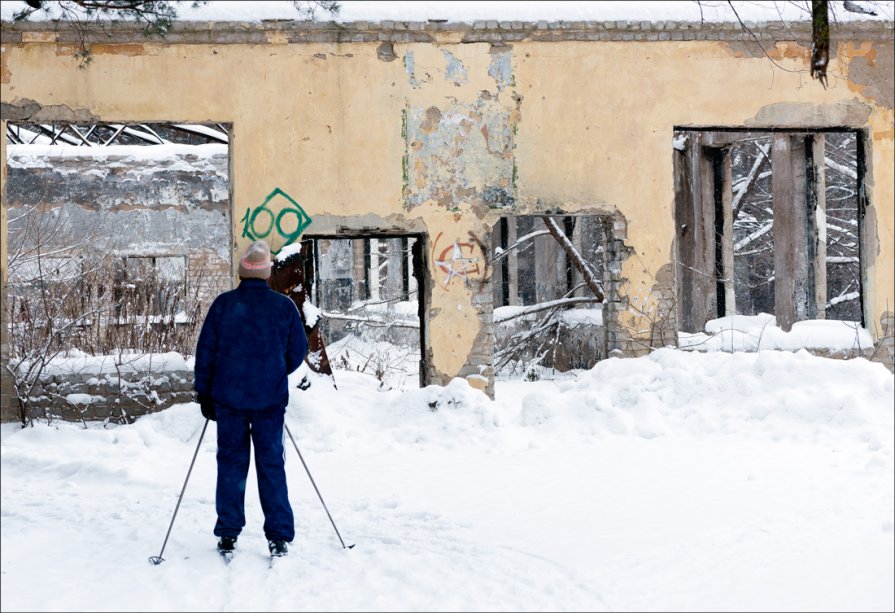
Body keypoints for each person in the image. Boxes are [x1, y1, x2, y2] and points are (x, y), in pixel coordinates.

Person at [193, 239, 308, 558]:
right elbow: (297, 352)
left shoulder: (224, 305)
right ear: (268, 273)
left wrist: (205, 392)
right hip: (269, 403)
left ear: (242, 272)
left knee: (231, 464)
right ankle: (279, 535)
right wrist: (273, 370)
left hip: (229, 403)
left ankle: (228, 532)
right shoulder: (283, 307)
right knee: (271, 465)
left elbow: (206, 353)